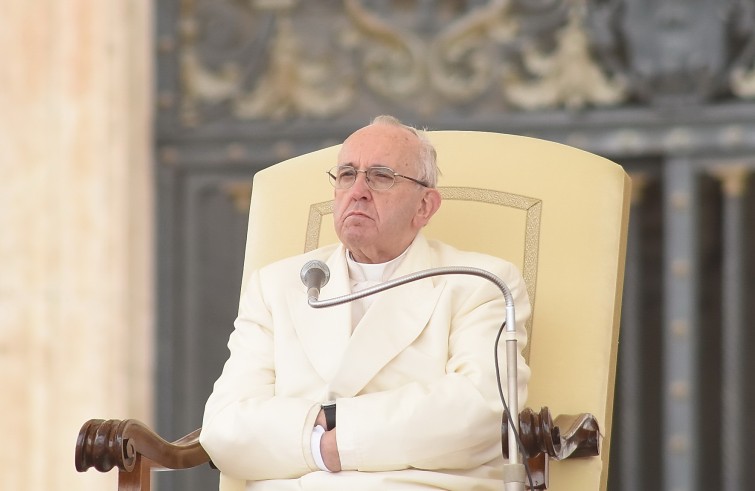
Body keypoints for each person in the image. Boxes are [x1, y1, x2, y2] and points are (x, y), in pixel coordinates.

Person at [200, 115, 531, 491]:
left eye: (381, 176)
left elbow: (479, 410)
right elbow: (224, 425)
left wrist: (331, 438)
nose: (357, 190)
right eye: (346, 175)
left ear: (424, 206)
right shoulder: (277, 285)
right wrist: (320, 444)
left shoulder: (480, 282)